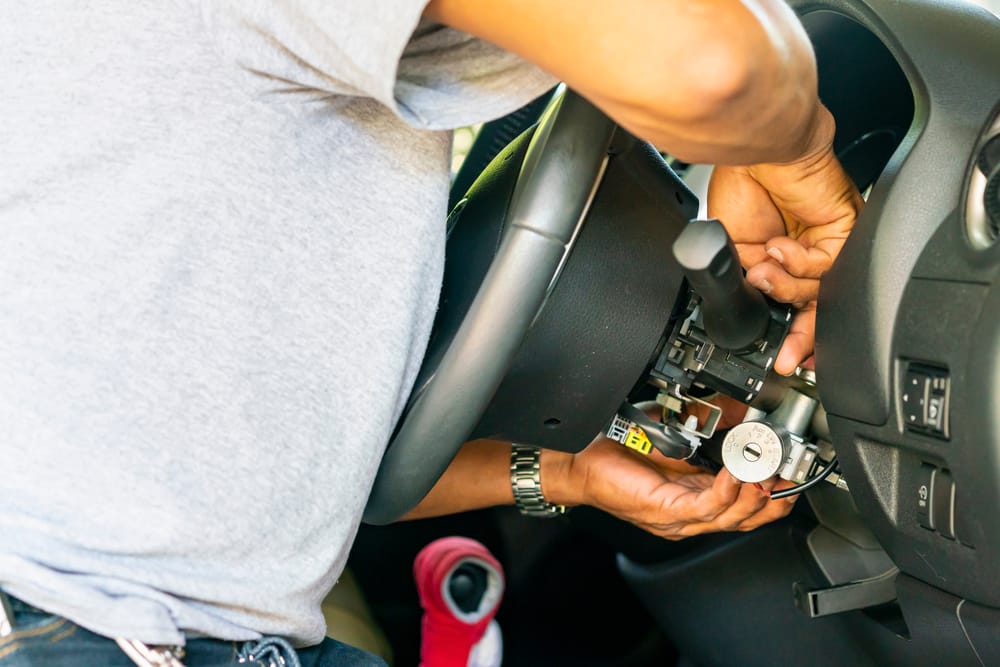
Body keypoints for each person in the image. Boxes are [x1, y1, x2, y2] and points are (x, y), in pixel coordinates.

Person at [0, 1, 861, 665]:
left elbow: (318, 474)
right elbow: (713, 66)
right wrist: (803, 157)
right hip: (88, 619)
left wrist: (563, 472)